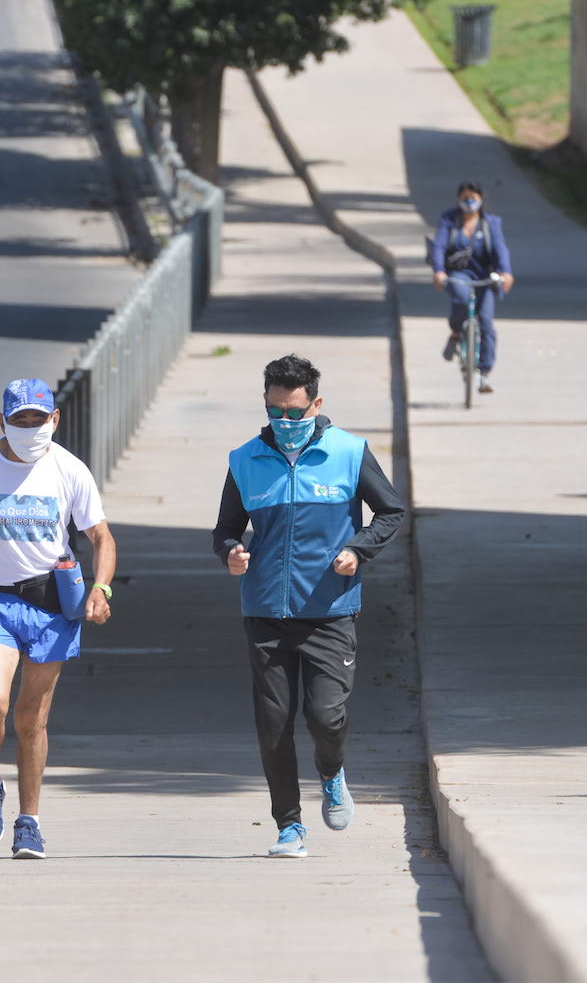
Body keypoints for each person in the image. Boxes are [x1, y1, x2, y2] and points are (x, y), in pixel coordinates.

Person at [211, 355, 406, 858]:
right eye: (276, 411)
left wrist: (358, 549)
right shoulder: (245, 459)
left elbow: (390, 511)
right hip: (265, 613)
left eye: (295, 412)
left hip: (330, 611)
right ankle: (289, 826)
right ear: (265, 402)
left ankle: (331, 771)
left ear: (316, 404)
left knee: (325, 715)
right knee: (273, 724)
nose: (286, 422)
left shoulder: (349, 452)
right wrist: (231, 552)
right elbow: (226, 528)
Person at [0, 378, 115, 860]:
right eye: (20, 420)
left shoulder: (70, 470)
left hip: (51, 604)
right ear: (2, 422)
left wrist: (101, 588)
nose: (30, 428)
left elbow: (101, 537)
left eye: (39, 419)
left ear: (55, 419)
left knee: (31, 719)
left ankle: (29, 822)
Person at [431, 181, 515, 393]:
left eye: (473, 198)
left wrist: (505, 272)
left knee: (486, 324)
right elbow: (439, 246)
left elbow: (500, 248)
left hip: (484, 276)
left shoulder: (490, 222)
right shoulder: (450, 220)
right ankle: (456, 334)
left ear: (481, 200)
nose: (469, 202)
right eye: (465, 198)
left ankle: (484, 373)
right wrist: (439, 271)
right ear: (459, 199)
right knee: (460, 299)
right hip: (458, 274)